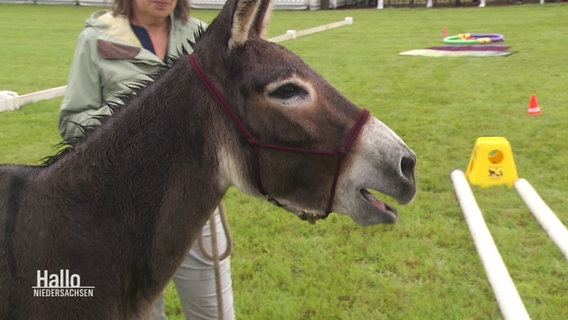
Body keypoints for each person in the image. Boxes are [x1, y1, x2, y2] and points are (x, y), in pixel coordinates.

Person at [58, 0, 235, 319]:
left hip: (195, 206)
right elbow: (72, 121)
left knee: (214, 313)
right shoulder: (96, 38)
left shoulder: (200, 35)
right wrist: (133, 124)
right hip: (125, 214)